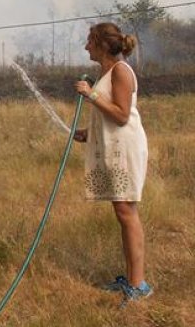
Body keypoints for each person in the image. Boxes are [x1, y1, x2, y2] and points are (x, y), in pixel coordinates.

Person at [73, 22, 151, 306]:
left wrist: (90, 94)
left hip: (126, 150)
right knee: (123, 212)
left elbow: (121, 115)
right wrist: (88, 133)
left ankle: (138, 285)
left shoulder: (120, 71)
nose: (86, 47)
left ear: (102, 44)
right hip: (114, 148)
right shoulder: (106, 72)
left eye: (89, 41)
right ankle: (131, 279)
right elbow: (109, 117)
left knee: (127, 212)